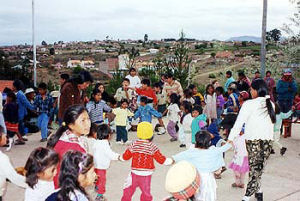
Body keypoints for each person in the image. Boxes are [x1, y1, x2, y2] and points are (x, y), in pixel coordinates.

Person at [228, 79, 276, 201]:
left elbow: (238, 124)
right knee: (257, 168)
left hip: (253, 142)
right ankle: (259, 191)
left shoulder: (249, 104)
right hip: (267, 143)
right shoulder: (271, 104)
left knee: (255, 169)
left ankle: (247, 196)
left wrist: (230, 138)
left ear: (255, 90)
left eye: (251, 89)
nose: (250, 91)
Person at [172, 131, 232, 201]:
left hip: (195, 179)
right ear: (209, 142)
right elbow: (226, 147)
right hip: (208, 179)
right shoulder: (213, 151)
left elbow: (175, 158)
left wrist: (163, 159)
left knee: (197, 196)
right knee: (208, 196)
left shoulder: (191, 152)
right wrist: (233, 136)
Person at [120, 122, 172, 201]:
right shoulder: (152, 146)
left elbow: (126, 155)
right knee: (146, 192)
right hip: (146, 174)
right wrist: (169, 161)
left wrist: (121, 158)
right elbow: (160, 159)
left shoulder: (134, 144)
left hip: (134, 172)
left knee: (128, 189)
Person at [47, 105, 90, 188]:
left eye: (88, 119)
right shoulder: (75, 149)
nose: (88, 124)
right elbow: (79, 178)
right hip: (65, 189)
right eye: (83, 121)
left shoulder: (63, 137)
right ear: (71, 125)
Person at [93, 124, 121, 201]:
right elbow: (110, 154)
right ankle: (99, 195)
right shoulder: (105, 144)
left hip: (95, 164)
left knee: (96, 177)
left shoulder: (96, 142)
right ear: (108, 135)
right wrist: (118, 156)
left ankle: (96, 186)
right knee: (102, 180)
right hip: (101, 166)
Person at [0, 125, 27, 200]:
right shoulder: (2, 158)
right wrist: (33, 183)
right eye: (3, 133)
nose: (5, 135)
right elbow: (15, 178)